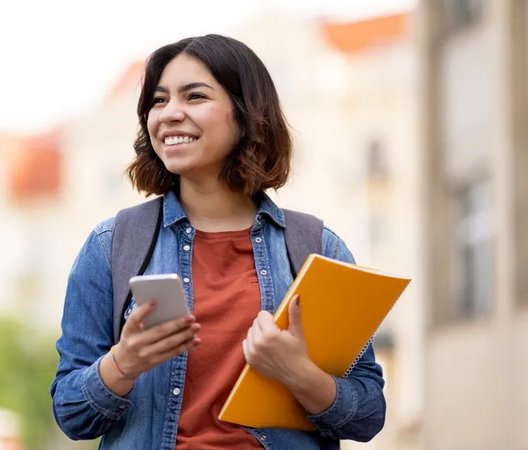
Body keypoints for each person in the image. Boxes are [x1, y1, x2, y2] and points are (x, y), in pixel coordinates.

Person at [50, 34, 386, 449]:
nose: (170, 113)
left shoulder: (316, 247)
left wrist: (298, 373)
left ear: (246, 115)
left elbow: (369, 415)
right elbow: (71, 413)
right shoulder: (111, 245)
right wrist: (124, 363)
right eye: (158, 100)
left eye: (194, 96)